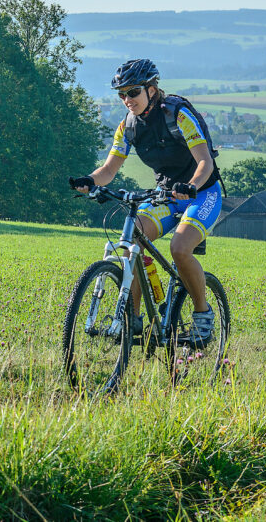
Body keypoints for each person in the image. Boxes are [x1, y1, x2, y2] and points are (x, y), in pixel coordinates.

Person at [69, 58, 221, 344]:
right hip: (165, 194)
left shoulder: (178, 115)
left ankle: (203, 316)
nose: (127, 100)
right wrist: (90, 181)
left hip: (203, 193)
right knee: (133, 238)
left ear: (152, 89)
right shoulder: (128, 126)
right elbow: (109, 170)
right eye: (121, 94)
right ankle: (133, 320)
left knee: (179, 248)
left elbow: (205, 162)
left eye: (133, 92)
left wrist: (191, 186)